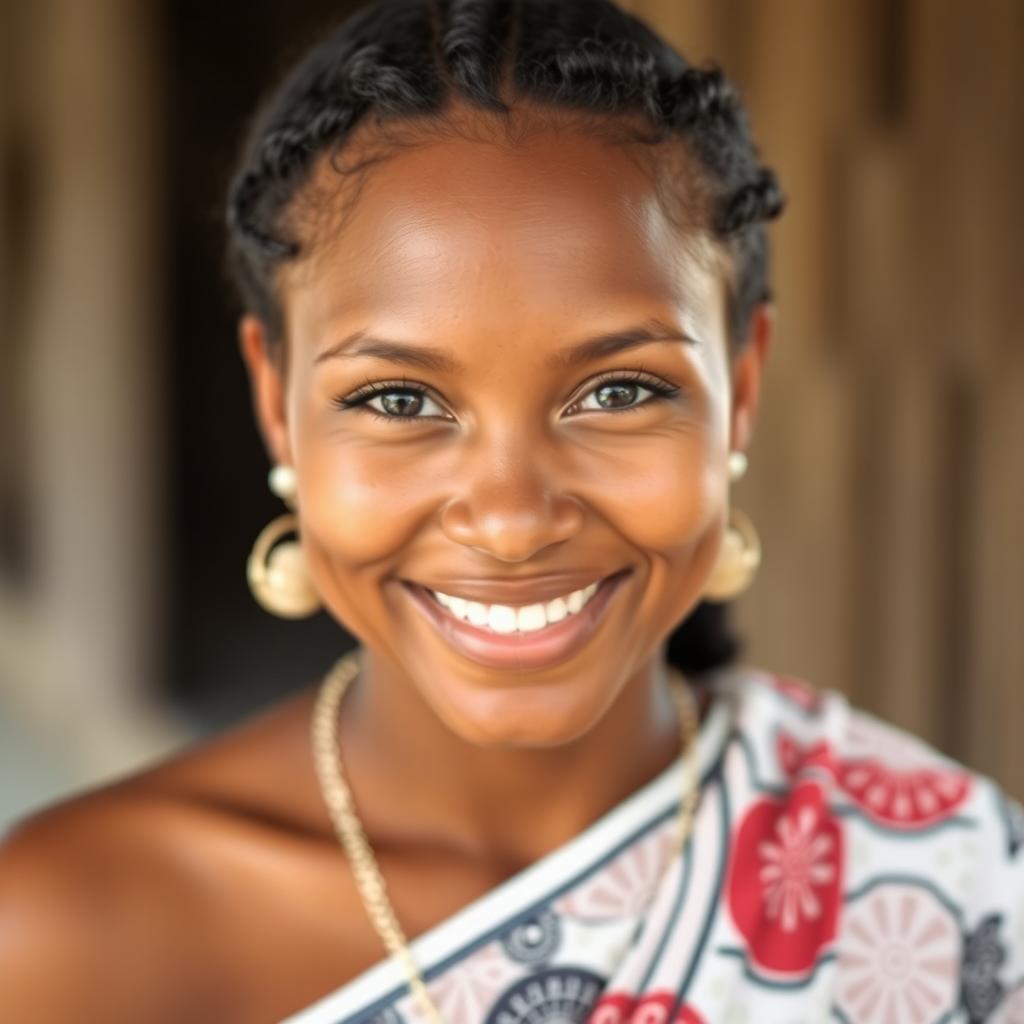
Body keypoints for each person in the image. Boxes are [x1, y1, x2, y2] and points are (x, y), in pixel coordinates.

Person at [2, 1, 1022, 1021]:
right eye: (398, 401)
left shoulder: (951, 889)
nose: (511, 518)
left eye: (619, 391)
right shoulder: (67, 933)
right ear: (277, 408)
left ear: (742, 386)